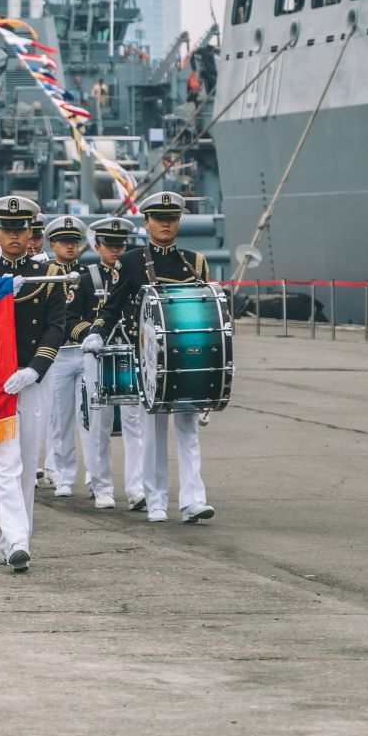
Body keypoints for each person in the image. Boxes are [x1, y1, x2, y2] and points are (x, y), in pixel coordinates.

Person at [80, 192, 216, 525]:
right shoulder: (130, 262)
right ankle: (156, 501)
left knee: (188, 429)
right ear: (147, 222)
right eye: (159, 218)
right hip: (149, 358)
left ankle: (193, 500)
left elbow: (209, 312)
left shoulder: (195, 262)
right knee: (153, 432)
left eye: (172, 218)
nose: (166, 224)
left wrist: (220, 353)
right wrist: (97, 332)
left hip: (186, 358)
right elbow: (112, 306)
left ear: (179, 221)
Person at [0, 196, 65, 573]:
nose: (13, 236)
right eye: (6, 229)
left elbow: (56, 327)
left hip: (32, 377)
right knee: (6, 463)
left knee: (28, 465)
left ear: (30, 233)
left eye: (20, 229)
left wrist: (35, 368)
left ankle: (14, 536)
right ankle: (16, 539)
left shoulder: (49, 275)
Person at [77, 217, 140, 510]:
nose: (115, 250)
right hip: (98, 354)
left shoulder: (134, 273)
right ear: (97, 246)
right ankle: (102, 486)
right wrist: (89, 334)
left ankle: (137, 486)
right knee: (99, 424)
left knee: (135, 423)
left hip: (130, 351)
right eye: (109, 244)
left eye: (120, 245)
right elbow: (71, 317)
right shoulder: (86, 278)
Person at [38, 215, 93, 501]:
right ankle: (62, 475)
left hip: (84, 350)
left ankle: (94, 475)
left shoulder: (88, 274)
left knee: (89, 418)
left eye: (74, 241)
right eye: (63, 242)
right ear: (52, 244)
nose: (70, 246)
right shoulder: (45, 274)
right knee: (60, 419)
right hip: (58, 353)